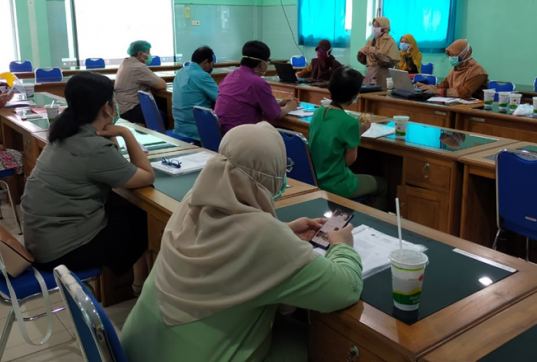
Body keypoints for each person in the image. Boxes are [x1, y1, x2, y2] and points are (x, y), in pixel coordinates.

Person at [121, 123, 363, 362]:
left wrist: (284, 231)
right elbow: (345, 290)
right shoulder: (263, 235)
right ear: (266, 177)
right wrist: (342, 244)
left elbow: (229, 245)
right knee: (318, 345)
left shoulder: (193, 201)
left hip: (137, 348)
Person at [21, 72, 152, 293]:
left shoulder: (64, 133)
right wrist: (126, 134)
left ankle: (137, 283)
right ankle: (142, 287)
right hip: (63, 253)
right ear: (106, 107)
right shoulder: (93, 147)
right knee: (145, 219)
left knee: (126, 209)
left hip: (42, 240)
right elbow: (146, 176)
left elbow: (113, 167)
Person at [309, 66, 389, 211]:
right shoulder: (350, 123)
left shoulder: (318, 112)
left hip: (315, 179)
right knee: (382, 185)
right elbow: (349, 160)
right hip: (337, 183)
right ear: (354, 95)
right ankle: (375, 226)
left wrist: (355, 132)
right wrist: (360, 130)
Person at [215, 41, 298, 134]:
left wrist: (278, 105)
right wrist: (289, 107)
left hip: (222, 133)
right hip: (241, 136)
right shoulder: (258, 83)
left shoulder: (230, 76)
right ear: (262, 64)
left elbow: (245, 105)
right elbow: (275, 115)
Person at [171, 46, 218, 142]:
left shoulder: (180, 72)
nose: (212, 67)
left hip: (179, 127)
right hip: (197, 130)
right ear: (205, 63)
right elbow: (221, 98)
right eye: (212, 64)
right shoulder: (202, 75)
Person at [114, 40, 167, 125]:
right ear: (140, 54)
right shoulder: (138, 67)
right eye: (148, 53)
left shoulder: (127, 62)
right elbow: (162, 85)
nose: (149, 56)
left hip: (121, 106)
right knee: (162, 116)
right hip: (129, 108)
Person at [417, 39, 488, 99]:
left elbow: (464, 93)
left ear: (463, 55)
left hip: (475, 108)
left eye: (453, 55)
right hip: (456, 105)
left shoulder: (478, 71)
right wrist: (425, 87)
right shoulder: (455, 70)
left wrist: (437, 91)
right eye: (450, 55)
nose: (451, 58)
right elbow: (442, 86)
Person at [357, 17, 400, 87]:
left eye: (377, 26)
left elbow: (392, 62)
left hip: (382, 76)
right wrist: (361, 53)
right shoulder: (371, 41)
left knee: (380, 96)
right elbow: (365, 61)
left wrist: (377, 53)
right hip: (370, 75)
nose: (374, 28)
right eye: (373, 26)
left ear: (384, 27)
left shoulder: (390, 42)